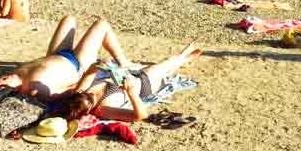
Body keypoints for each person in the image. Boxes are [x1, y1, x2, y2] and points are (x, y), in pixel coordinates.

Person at [0, 16, 130, 101]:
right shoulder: (36, 90)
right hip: (78, 64)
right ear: (14, 91)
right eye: (4, 82)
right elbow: (71, 92)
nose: (4, 77)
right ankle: (124, 63)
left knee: (68, 19)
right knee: (102, 25)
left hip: (56, 54)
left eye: (1, 78)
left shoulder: (17, 73)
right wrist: (89, 76)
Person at [57, 42, 202, 122]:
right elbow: (140, 116)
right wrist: (131, 93)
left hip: (130, 74)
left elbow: (89, 72)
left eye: (86, 93)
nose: (91, 94)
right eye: (91, 99)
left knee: (165, 67)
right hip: (145, 86)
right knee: (167, 65)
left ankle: (181, 59)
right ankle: (183, 58)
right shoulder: (103, 110)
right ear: (88, 111)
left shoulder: (80, 93)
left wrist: (98, 66)